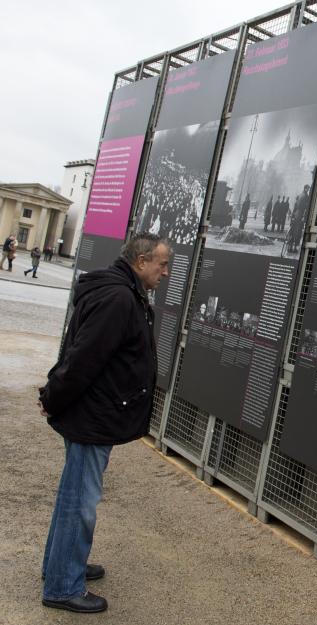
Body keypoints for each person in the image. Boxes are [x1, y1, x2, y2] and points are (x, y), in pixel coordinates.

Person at [38, 232, 170, 614]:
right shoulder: (117, 297)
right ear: (141, 261)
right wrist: (53, 397)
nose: (165, 271)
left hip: (94, 413)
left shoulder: (119, 291)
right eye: (162, 263)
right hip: (92, 417)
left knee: (73, 496)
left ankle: (61, 566)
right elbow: (83, 358)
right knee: (80, 501)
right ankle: (63, 586)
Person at [287, 185, 311, 255]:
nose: (308, 190)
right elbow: (305, 208)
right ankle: (294, 248)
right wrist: (304, 216)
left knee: (293, 230)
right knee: (298, 232)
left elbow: (295, 206)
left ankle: (290, 247)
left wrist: (293, 216)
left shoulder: (300, 195)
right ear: (306, 189)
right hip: (300, 215)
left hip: (296, 215)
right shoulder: (306, 196)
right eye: (308, 189)